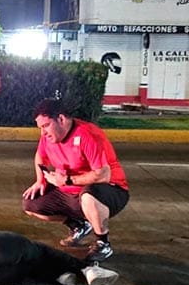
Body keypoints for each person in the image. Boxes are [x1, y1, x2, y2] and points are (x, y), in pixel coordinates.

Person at [22, 98, 130, 262]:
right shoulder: (48, 137)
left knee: (88, 196)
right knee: (30, 203)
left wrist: (67, 180)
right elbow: (40, 156)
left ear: (61, 119)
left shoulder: (88, 134)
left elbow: (103, 175)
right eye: (40, 128)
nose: (43, 133)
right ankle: (78, 225)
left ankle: (103, 243)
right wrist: (40, 181)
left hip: (109, 190)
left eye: (45, 126)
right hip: (72, 194)